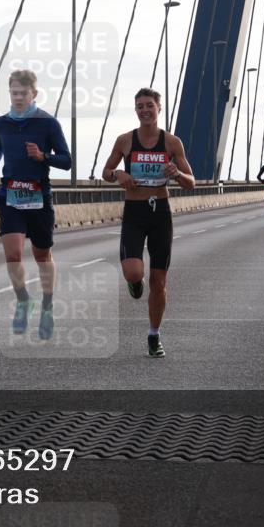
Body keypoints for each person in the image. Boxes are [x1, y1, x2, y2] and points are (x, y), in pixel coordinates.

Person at [101, 88, 196, 358]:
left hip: (160, 214)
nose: (145, 110)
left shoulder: (172, 143)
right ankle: (134, 282)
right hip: (134, 211)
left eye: (149, 105)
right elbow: (106, 172)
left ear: (158, 109)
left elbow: (192, 182)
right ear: (136, 110)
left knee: (159, 281)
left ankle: (154, 335)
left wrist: (176, 173)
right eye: (140, 106)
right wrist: (119, 173)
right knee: (133, 272)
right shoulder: (125, 141)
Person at [0, 69, 71, 339]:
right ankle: (23, 300)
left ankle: (47, 305)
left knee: (42, 256)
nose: (18, 97)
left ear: (34, 93)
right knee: (12, 255)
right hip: (10, 196)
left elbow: (66, 161)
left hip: (39, 197)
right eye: (14, 93)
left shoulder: (48, 123)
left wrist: (43, 156)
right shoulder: (2, 123)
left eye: (23, 93)